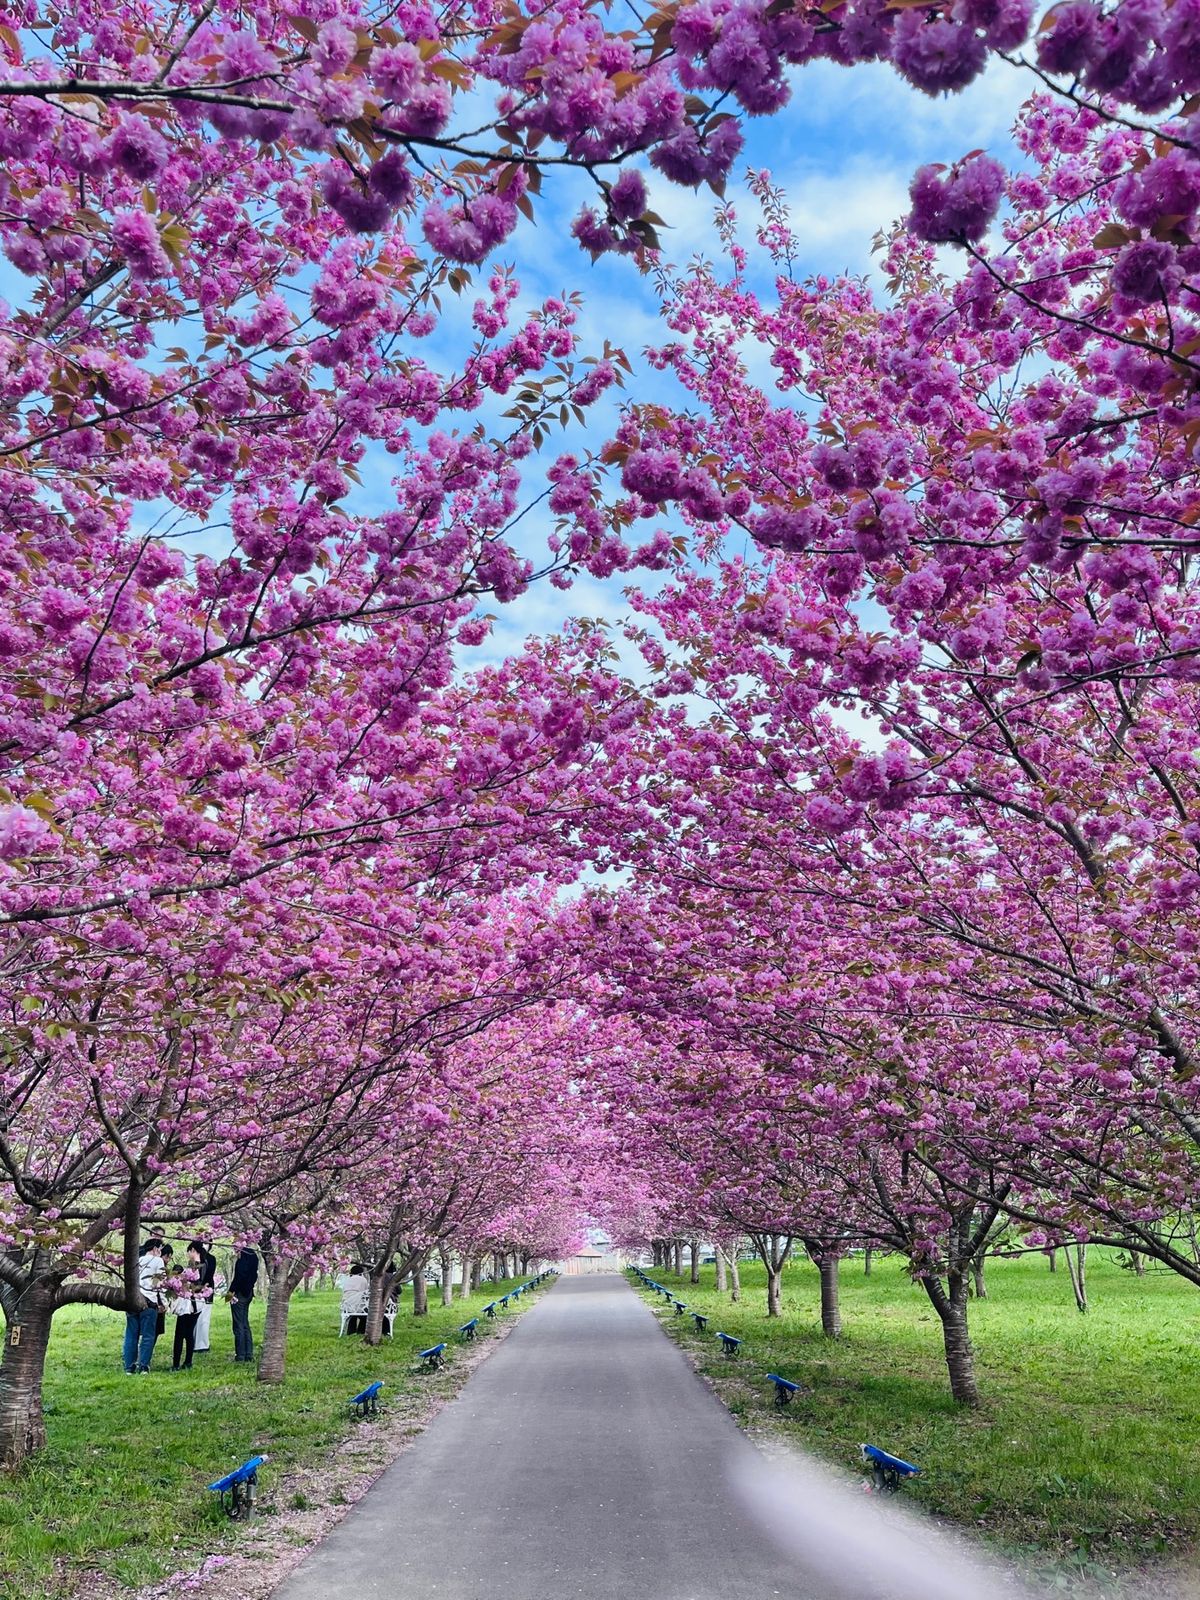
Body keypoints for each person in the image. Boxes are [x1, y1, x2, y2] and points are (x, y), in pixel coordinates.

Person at [123, 1239, 165, 1374]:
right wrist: (163, 1302)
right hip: (149, 1301)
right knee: (147, 1335)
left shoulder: (137, 1261)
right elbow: (158, 1284)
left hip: (133, 1299)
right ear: (155, 1248)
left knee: (131, 1334)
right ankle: (144, 1366)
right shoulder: (158, 1261)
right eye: (160, 1248)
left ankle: (129, 1366)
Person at [171, 1244, 207, 1370]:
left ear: (193, 1250)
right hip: (197, 1304)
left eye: (188, 1252)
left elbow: (195, 1284)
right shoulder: (205, 1263)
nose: (188, 1255)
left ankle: (176, 1364)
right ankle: (188, 1361)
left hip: (189, 1304)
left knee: (179, 1334)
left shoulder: (195, 1266)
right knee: (189, 1333)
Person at [229, 1246, 259, 1362]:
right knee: (245, 1323)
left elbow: (238, 1279)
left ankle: (240, 1355)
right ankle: (248, 1354)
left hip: (239, 1295)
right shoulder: (253, 1265)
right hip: (248, 1294)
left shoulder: (242, 1263)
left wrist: (230, 1293)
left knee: (238, 1325)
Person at [191, 1239, 218, 1354]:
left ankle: (202, 1344)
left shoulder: (210, 1259)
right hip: (196, 1292)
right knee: (195, 1318)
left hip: (206, 1291)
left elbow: (208, 1275)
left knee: (204, 1319)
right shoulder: (195, 1258)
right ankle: (194, 1343)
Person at [336, 1262, 369, 1335]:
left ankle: (351, 1331)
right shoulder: (363, 1280)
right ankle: (361, 1331)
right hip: (358, 1305)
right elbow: (365, 1292)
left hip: (346, 1305)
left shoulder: (347, 1280)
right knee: (365, 1316)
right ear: (361, 1273)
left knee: (352, 1316)